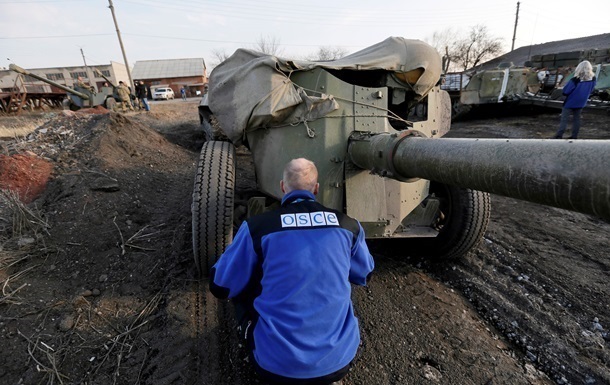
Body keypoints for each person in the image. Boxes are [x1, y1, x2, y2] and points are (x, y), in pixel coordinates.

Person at [210, 158, 374, 385]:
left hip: (274, 367)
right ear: (316, 189)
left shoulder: (258, 227)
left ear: (282, 187)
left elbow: (220, 286)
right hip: (338, 363)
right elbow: (364, 274)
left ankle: (262, 341)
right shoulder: (349, 226)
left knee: (242, 285)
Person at [553, 60, 597, 139]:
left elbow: (566, 91)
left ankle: (559, 135)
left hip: (571, 101)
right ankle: (574, 136)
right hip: (582, 102)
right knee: (577, 119)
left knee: (564, 119)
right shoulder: (593, 78)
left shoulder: (575, 79)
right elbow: (592, 89)